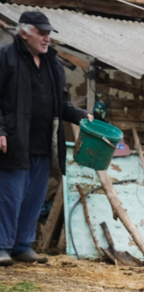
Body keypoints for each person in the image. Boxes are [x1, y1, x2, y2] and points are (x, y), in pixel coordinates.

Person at [0, 11, 92, 266]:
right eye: (41, 33)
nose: (46, 38)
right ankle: (2, 245)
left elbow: (61, 103)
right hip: (14, 141)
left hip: (43, 142)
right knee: (9, 197)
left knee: (33, 197)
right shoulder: (6, 58)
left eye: (48, 33)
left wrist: (81, 115)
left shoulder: (52, 63)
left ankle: (21, 245)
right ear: (24, 33)